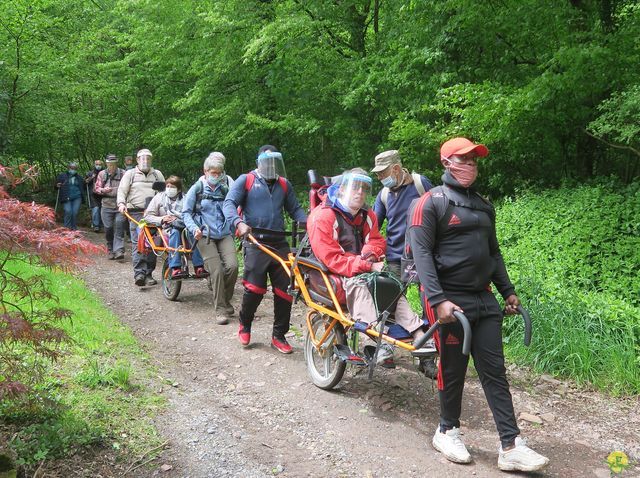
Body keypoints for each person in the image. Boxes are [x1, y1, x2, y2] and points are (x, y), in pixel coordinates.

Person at [407, 137, 549, 471]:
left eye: (474, 160)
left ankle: (511, 445)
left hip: (483, 298)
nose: (470, 165)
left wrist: (507, 290)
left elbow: (493, 252)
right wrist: (438, 300)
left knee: (494, 370)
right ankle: (447, 430)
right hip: (448, 300)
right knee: (453, 368)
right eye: (464, 159)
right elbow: (422, 255)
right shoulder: (431, 203)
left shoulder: (484, 205)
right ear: (447, 163)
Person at [307, 168, 428, 364]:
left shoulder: (367, 214)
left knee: (392, 284)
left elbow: (377, 241)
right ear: (342, 189)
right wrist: (366, 266)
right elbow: (332, 258)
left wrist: (370, 253)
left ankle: (419, 333)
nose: (360, 193)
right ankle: (372, 340)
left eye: (364, 189)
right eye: (355, 188)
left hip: (358, 267)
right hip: (330, 272)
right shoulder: (323, 216)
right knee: (360, 285)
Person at [223, 145, 307, 353]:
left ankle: (279, 335)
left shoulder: (284, 184)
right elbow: (229, 203)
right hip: (255, 240)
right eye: (266, 162)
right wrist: (237, 222)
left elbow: (295, 209)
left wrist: (308, 222)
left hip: (279, 242)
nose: (270, 166)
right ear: (259, 162)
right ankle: (245, 324)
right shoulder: (247, 180)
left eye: (273, 162)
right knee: (254, 289)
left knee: (285, 291)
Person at [183, 153, 238, 325]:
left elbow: (231, 208)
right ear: (205, 171)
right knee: (217, 270)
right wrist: (194, 229)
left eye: (219, 173)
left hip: (224, 233)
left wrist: (236, 224)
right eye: (213, 173)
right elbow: (186, 213)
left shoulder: (224, 190)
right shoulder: (197, 188)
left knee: (233, 266)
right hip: (204, 235)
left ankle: (226, 300)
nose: (216, 176)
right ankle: (220, 309)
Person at [371, 150, 433, 279]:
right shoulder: (383, 195)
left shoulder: (420, 184)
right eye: (377, 174)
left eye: (382, 173)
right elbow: (372, 227)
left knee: (429, 295)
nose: (379, 178)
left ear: (396, 169)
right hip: (395, 257)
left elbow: (439, 211)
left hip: (423, 253)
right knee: (394, 296)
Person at [117, 148, 165, 287]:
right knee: (138, 242)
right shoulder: (130, 174)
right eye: (142, 158)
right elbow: (122, 191)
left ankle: (148, 273)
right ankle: (139, 273)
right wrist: (121, 204)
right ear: (137, 160)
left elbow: (165, 193)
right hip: (135, 213)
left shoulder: (157, 175)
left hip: (153, 214)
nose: (145, 161)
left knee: (152, 243)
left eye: (148, 158)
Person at [144, 175, 209, 278]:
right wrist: (162, 219)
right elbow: (147, 216)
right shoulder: (159, 198)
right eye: (168, 186)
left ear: (178, 189)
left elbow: (192, 214)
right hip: (166, 228)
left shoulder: (186, 198)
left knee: (193, 233)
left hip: (185, 226)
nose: (169, 189)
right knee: (175, 232)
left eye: (173, 187)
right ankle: (175, 268)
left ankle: (199, 267)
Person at [94, 154, 126, 260]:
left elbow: (128, 188)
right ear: (107, 163)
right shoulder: (102, 174)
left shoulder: (123, 173)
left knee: (119, 226)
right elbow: (96, 188)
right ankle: (110, 248)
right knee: (108, 228)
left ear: (116, 163)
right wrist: (103, 190)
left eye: (113, 164)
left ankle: (119, 250)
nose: (111, 166)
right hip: (106, 205)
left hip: (120, 205)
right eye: (109, 164)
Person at [55, 161, 85, 230]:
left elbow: (82, 187)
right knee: (68, 211)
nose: (73, 169)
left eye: (75, 168)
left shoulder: (79, 177)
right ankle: (67, 229)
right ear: (68, 168)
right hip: (66, 196)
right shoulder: (62, 175)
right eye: (72, 168)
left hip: (77, 197)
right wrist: (57, 185)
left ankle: (74, 228)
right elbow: (56, 185)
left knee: (74, 212)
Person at [85, 159, 105, 232]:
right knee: (95, 209)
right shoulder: (90, 173)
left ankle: (101, 225)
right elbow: (85, 182)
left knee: (102, 210)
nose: (98, 166)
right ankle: (96, 225)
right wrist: (91, 177)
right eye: (97, 164)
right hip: (93, 194)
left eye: (100, 164)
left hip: (103, 194)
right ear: (94, 165)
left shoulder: (105, 172)